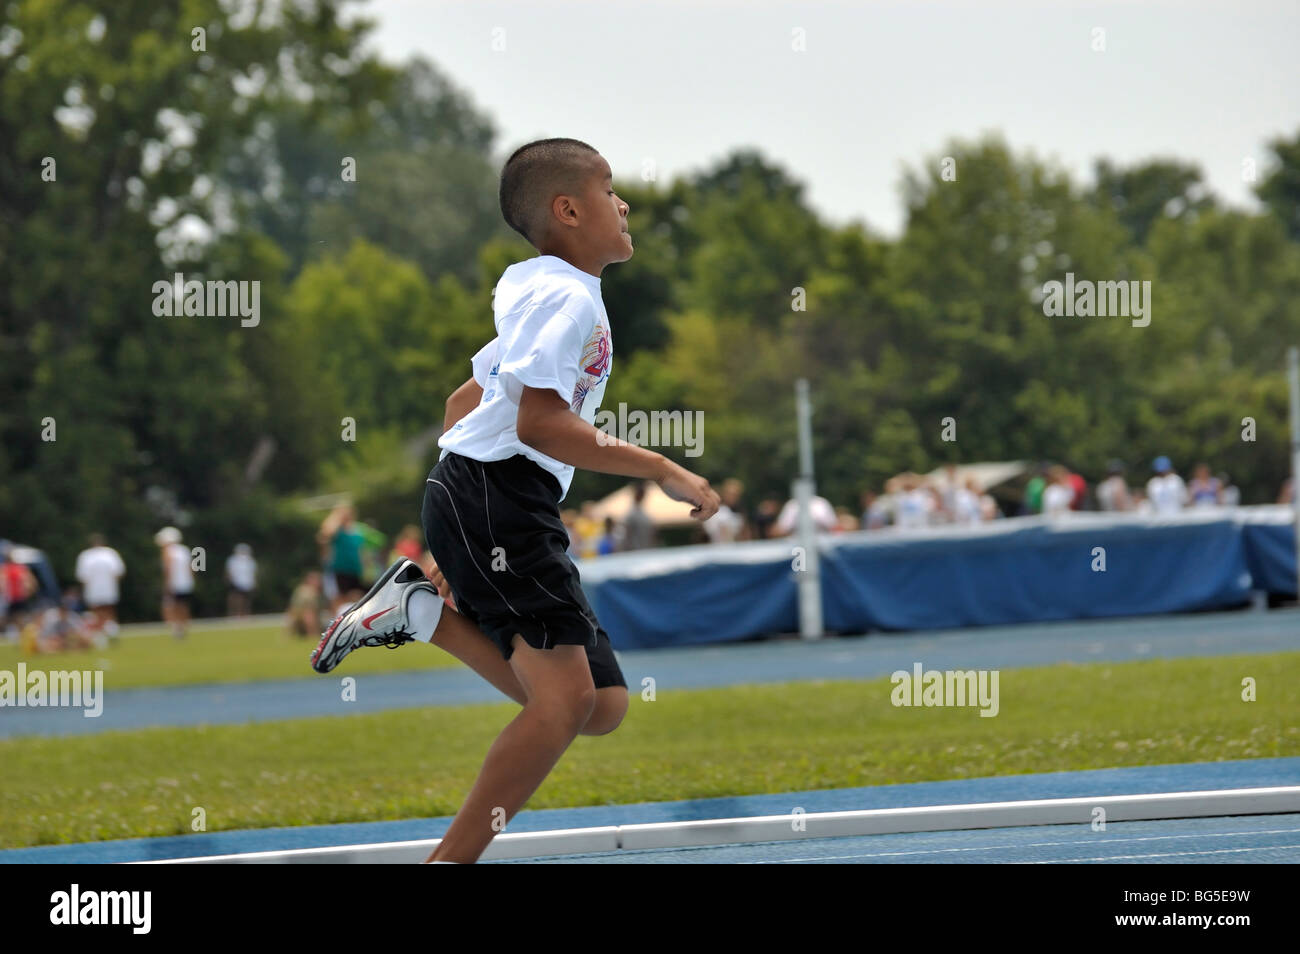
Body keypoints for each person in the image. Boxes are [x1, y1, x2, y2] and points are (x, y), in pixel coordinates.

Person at [307, 139, 720, 864]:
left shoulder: (533, 287)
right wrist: (659, 466)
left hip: (484, 496)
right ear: (568, 209)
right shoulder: (566, 300)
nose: (624, 204)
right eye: (609, 188)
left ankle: (423, 615)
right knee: (563, 704)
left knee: (602, 705)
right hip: (500, 497)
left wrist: (452, 535)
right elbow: (538, 424)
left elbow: (463, 402)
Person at [75, 533, 125, 640]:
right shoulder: (110, 553)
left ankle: (105, 635)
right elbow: (118, 573)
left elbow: (82, 577)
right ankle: (108, 633)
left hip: (95, 590)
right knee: (107, 612)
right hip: (107, 589)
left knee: (100, 613)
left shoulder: (86, 556)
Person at [318, 504, 364, 612]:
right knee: (339, 598)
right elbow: (325, 533)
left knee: (357, 596)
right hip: (339, 569)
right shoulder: (336, 529)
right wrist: (336, 517)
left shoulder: (356, 530)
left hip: (354, 569)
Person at [155, 526, 194, 639]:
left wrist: (167, 584)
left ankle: (176, 629)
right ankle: (183, 627)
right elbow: (191, 568)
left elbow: (168, 569)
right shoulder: (184, 550)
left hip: (175, 584)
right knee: (183, 606)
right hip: (186, 583)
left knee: (171, 607)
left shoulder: (168, 551)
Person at [285, 570, 325, 638]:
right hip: (303, 617)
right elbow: (295, 607)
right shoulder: (305, 591)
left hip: (312, 617)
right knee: (309, 614)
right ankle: (313, 635)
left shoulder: (319, 592)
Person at [621, 482, 657, 550]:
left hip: (641, 552)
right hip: (637, 552)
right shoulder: (633, 514)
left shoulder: (637, 513)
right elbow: (627, 535)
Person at [225, 543, 257, 617]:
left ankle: (245, 614)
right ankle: (235, 614)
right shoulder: (233, 560)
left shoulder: (250, 561)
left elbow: (252, 573)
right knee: (236, 599)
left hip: (247, 583)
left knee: (246, 600)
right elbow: (229, 572)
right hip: (236, 582)